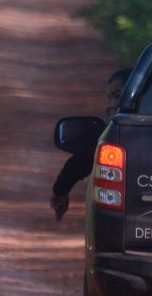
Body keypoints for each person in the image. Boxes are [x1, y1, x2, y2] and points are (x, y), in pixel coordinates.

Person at [50, 67, 131, 220]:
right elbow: (83, 158)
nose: (110, 105)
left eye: (118, 95)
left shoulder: (119, 135)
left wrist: (60, 190)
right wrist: (60, 189)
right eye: (110, 98)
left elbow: (84, 158)